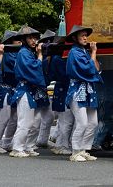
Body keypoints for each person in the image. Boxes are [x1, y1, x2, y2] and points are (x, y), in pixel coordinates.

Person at [9, 25, 47, 158]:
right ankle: (17, 147)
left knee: (35, 122)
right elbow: (35, 68)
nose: (33, 40)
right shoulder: (23, 53)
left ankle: (29, 146)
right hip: (25, 90)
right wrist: (40, 55)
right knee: (25, 122)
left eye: (35, 37)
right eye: (30, 38)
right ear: (24, 40)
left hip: (32, 90)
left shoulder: (29, 53)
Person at [65, 25, 102, 163]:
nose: (85, 38)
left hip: (88, 90)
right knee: (82, 123)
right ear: (75, 38)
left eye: (86, 35)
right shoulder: (74, 52)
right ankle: (75, 151)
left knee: (93, 122)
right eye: (82, 35)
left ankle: (84, 149)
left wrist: (93, 53)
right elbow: (88, 69)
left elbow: (97, 69)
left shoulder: (84, 52)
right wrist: (93, 52)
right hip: (77, 90)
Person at [0, 30, 20, 153]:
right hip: (5, 89)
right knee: (4, 118)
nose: (20, 41)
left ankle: (8, 142)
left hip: (15, 89)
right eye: (17, 39)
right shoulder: (5, 54)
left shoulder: (19, 53)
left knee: (15, 118)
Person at [50, 36, 74, 156]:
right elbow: (64, 76)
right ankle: (61, 145)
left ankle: (62, 143)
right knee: (66, 121)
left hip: (63, 90)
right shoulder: (58, 59)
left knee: (65, 121)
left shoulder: (58, 58)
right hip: (63, 90)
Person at [36, 30, 58, 149]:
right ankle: (25, 143)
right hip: (34, 89)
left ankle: (42, 140)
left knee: (48, 116)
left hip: (43, 88)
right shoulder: (38, 56)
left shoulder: (50, 58)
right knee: (34, 118)